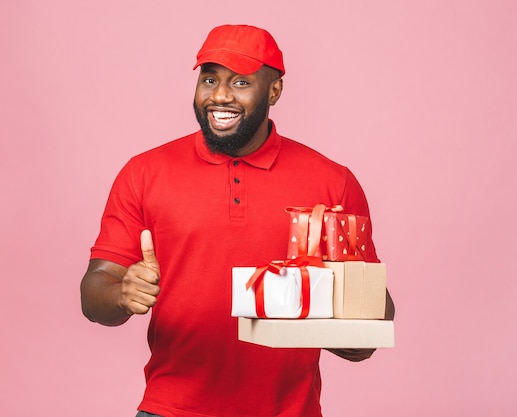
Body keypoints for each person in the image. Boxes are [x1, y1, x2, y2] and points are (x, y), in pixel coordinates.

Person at [80, 24, 394, 417]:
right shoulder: (143, 173)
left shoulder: (332, 182)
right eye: (209, 79)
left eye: (241, 82)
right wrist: (121, 293)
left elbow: (370, 323)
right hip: (171, 409)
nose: (220, 95)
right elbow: (94, 294)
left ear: (274, 90)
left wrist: (342, 320)